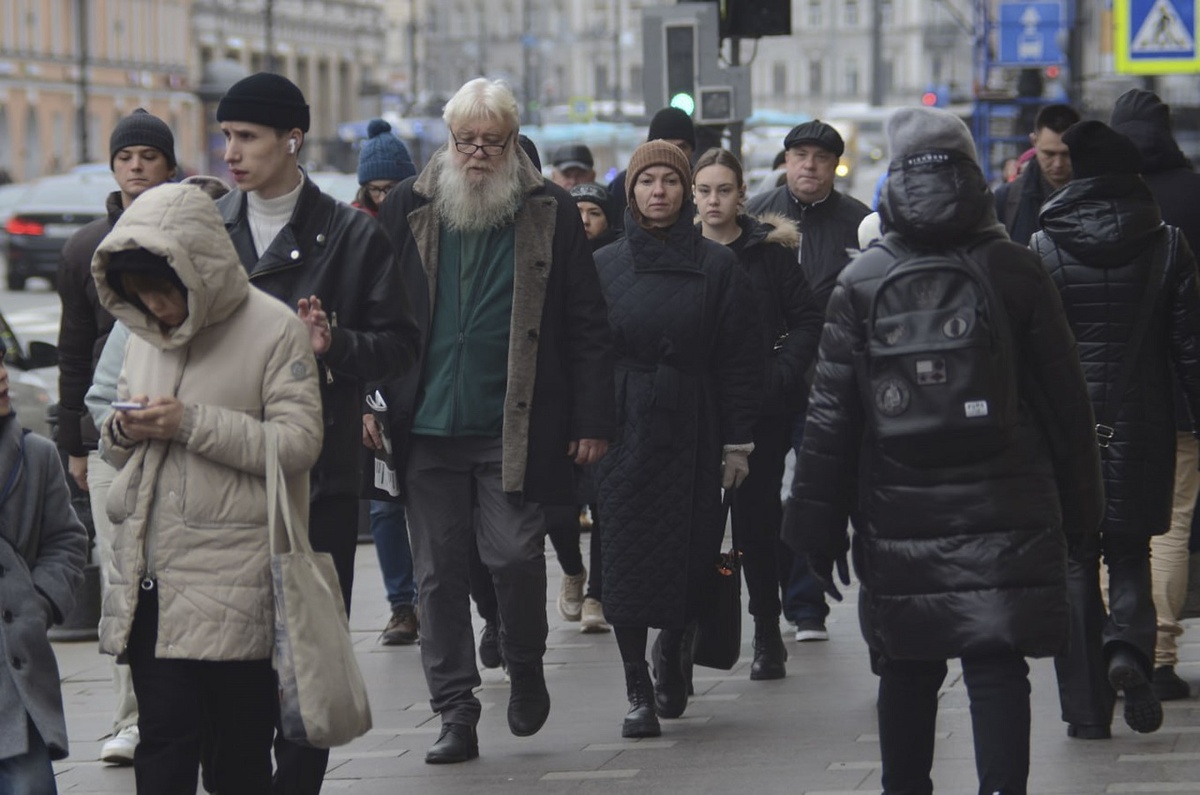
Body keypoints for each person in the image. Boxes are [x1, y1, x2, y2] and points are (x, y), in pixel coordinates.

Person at [786, 106, 1104, 795]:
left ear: (894, 180)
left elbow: (831, 415)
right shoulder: (1016, 268)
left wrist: (815, 529)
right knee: (996, 662)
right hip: (1009, 499)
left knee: (906, 661)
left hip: (898, 506)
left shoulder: (863, 279)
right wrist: (1085, 510)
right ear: (974, 176)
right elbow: (1067, 404)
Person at [376, 77, 615, 764]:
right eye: (465, 141)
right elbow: (373, 311)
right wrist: (370, 400)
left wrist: (592, 416)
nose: (478, 153)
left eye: (492, 141)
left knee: (512, 554)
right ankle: (455, 709)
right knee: (437, 574)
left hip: (512, 425)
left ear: (513, 144)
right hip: (424, 427)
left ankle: (525, 655)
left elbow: (587, 324)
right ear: (447, 144)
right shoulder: (409, 206)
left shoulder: (550, 211)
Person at [213, 71, 420, 794]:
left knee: (305, 647)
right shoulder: (210, 227)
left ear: (291, 139)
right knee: (233, 650)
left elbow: (399, 344)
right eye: (227, 137)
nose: (231, 152)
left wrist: (336, 347)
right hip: (224, 473)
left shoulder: (351, 233)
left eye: (247, 137)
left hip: (315, 473)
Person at [92, 182, 324, 793]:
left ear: (198, 268)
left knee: (237, 754)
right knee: (162, 748)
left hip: (235, 581)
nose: (157, 310)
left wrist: (189, 423)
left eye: (163, 294)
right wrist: (122, 426)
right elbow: (116, 445)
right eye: (140, 297)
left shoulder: (274, 329)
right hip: (153, 581)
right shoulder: (142, 335)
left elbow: (299, 444)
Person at [1031, 120, 1200, 740]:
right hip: (1145, 424)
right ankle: (1128, 649)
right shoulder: (1168, 245)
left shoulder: (1043, 244)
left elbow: (1029, 351)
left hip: (1068, 430)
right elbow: (1189, 348)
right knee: (1131, 551)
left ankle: (1083, 706)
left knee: (1077, 558)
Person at [593, 140, 762, 738]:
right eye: (646, 181)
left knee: (691, 555)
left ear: (685, 190)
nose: (657, 191)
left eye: (669, 180)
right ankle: (636, 684)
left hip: (695, 421)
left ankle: (675, 647)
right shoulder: (604, 264)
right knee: (623, 561)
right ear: (631, 191)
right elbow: (586, 356)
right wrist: (583, 431)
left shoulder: (719, 267)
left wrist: (737, 442)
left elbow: (740, 359)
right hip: (622, 429)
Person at [55, 107, 178, 767]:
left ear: (168, 165)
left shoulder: (192, 237)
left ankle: (186, 709)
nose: (135, 164)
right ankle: (130, 718)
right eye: (125, 154)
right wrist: (74, 441)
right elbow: (74, 354)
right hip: (111, 433)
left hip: (181, 431)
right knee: (123, 577)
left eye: (147, 155)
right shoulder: (84, 248)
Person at [692, 147, 822, 680]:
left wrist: (779, 375)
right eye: (705, 190)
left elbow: (807, 320)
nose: (714, 200)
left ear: (742, 194)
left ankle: (767, 629)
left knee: (756, 524)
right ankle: (688, 636)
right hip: (696, 408)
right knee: (694, 525)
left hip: (759, 411)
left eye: (725, 190)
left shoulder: (768, 253)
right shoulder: (680, 250)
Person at [747, 119, 871, 643]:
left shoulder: (859, 222)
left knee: (812, 491)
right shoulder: (756, 212)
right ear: (786, 160)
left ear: (834, 166)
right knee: (761, 494)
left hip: (829, 380)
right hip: (765, 378)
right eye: (799, 155)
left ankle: (806, 603)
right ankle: (769, 596)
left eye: (820, 157)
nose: (809, 165)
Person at [1111, 88, 1200, 702]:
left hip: (1102, 400)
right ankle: (1162, 657)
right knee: (1170, 524)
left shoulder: (1087, 203)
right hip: (1179, 392)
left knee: (1106, 527)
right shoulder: (1193, 194)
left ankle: (1118, 644)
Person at [0, 348, 87, 794]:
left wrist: (39, 603)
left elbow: (67, 541)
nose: (0, 376)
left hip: (14, 674)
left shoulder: (35, 455)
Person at [352, 117, 421, 646]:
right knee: (383, 501)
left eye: (392, 187)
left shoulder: (428, 222)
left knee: (433, 497)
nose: (384, 197)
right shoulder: (353, 233)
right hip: (372, 376)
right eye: (377, 189)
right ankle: (402, 604)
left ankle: (441, 596)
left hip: (420, 375)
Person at [993, 103, 1080, 245]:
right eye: (1049, 154)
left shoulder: (1102, 198)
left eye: (1066, 154)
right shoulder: (1007, 199)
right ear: (1034, 141)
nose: (1058, 163)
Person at [607, 107, 696, 232]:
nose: (674, 153)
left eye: (682, 147)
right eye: (647, 182)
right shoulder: (622, 183)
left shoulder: (702, 182)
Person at [353, 118, 416, 219]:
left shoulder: (423, 218)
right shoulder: (354, 223)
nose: (382, 198)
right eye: (374, 189)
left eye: (390, 188)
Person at [570, 182, 620, 252]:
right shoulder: (554, 251)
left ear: (608, 222)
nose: (585, 221)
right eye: (577, 212)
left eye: (594, 213)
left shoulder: (622, 254)